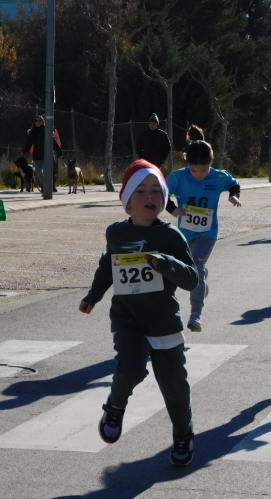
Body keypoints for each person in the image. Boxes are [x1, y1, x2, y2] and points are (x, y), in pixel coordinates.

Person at [79, 159, 199, 466]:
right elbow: (108, 266)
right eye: (141, 191)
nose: (149, 197)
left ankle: (183, 434)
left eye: (156, 191)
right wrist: (93, 296)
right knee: (131, 366)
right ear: (127, 200)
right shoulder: (116, 234)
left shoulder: (172, 237)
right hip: (128, 319)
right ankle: (115, 406)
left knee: (175, 387)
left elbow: (191, 279)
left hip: (163, 321)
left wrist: (166, 263)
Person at [165, 138, 241, 332]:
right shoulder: (177, 177)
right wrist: (173, 209)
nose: (199, 175)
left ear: (212, 162)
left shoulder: (219, 177)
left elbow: (234, 184)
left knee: (196, 267)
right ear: (187, 164)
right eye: (194, 170)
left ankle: (196, 314)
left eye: (203, 170)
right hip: (184, 234)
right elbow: (162, 194)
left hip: (208, 233)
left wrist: (234, 195)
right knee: (191, 271)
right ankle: (202, 281)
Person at [21, 115, 63, 193]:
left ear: (42, 121)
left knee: (49, 172)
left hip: (46, 155)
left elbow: (53, 142)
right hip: (37, 156)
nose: (38, 122)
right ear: (34, 122)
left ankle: (50, 186)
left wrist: (59, 152)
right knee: (39, 171)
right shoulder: (32, 132)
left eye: (39, 120)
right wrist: (24, 151)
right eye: (36, 120)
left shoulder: (46, 130)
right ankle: (43, 185)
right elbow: (29, 143)